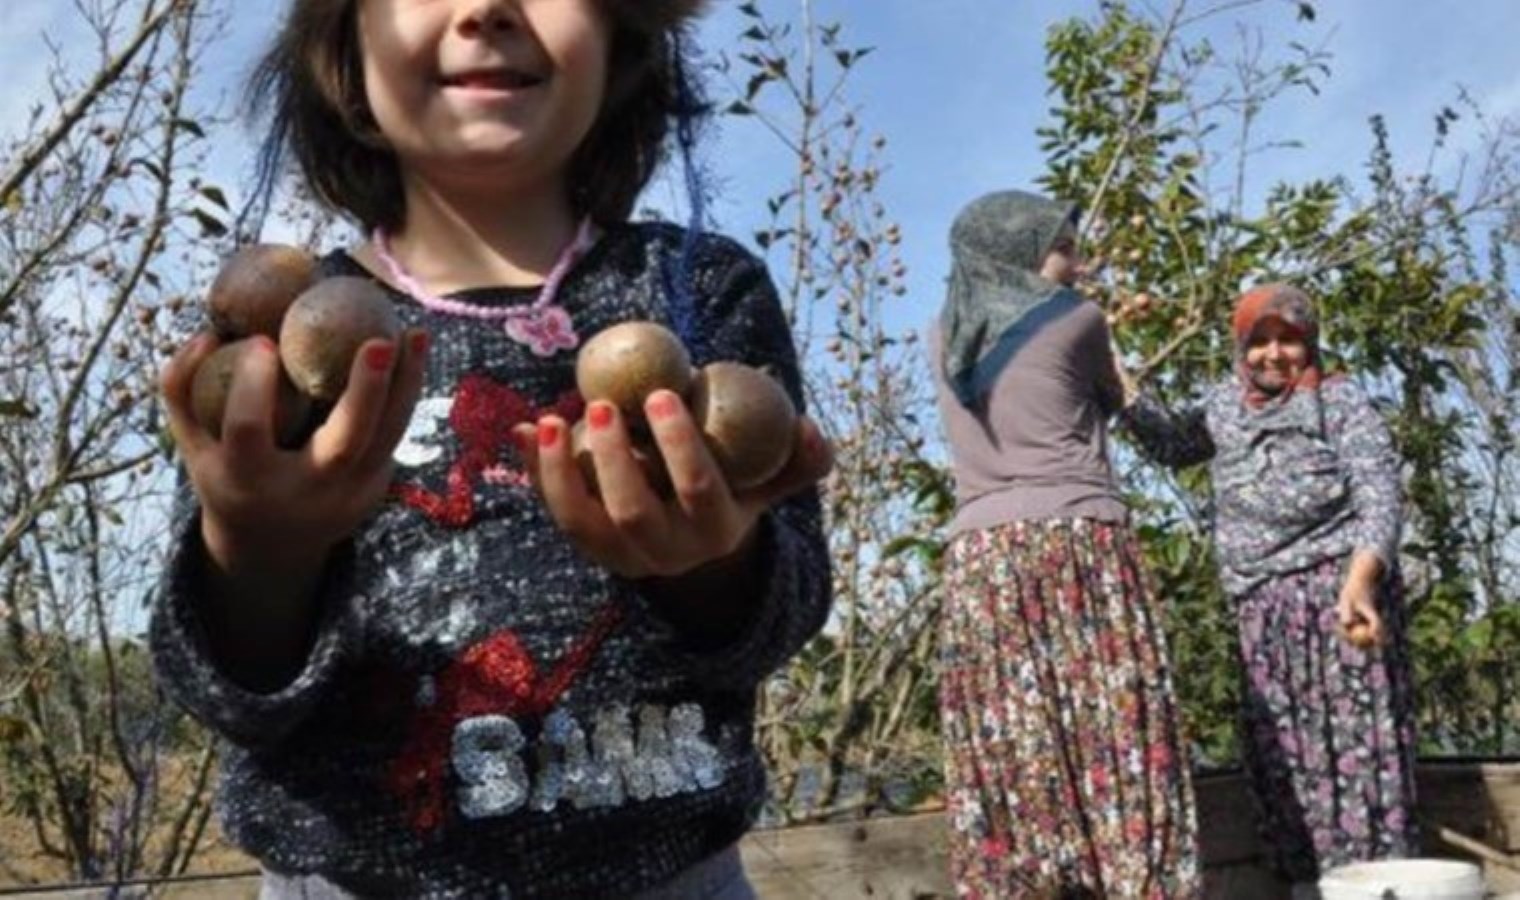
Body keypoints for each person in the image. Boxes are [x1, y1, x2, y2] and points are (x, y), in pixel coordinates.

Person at [150, 1, 833, 896]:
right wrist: (260, 551)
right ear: (344, 63)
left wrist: (707, 564)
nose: (486, 8)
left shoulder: (698, 290)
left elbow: (781, 612)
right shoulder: (280, 337)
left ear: (623, 44)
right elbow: (220, 685)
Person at [930, 190, 1200, 898]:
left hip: (981, 562)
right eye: (1067, 248)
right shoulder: (1080, 321)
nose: (1081, 265)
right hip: (1075, 544)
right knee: (1115, 738)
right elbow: (1156, 430)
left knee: (1016, 750)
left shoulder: (940, 333)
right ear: (1022, 251)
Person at [1118, 283, 1418, 887]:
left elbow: (1379, 493)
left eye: (1289, 340)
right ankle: (1304, 882)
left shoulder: (1340, 401)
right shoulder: (1223, 405)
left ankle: (1378, 883)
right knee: (1284, 755)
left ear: (1310, 344)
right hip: (1261, 606)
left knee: (1357, 757)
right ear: (1240, 347)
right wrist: (1118, 382)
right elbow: (1174, 444)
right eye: (1260, 342)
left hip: (1335, 598)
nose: (1274, 355)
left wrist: (1360, 582)